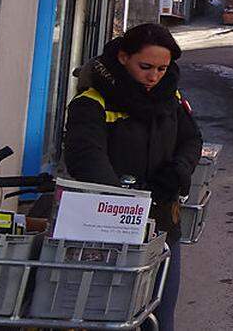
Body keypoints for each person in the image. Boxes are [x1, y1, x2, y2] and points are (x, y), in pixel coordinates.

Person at [63, 23, 202, 331]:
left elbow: (192, 140)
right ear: (124, 57)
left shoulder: (171, 96)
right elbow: (86, 157)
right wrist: (127, 203)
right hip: (106, 230)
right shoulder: (92, 101)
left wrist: (178, 170)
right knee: (106, 317)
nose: (154, 77)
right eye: (146, 67)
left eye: (162, 69)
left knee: (160, 317)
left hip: (164, 224)